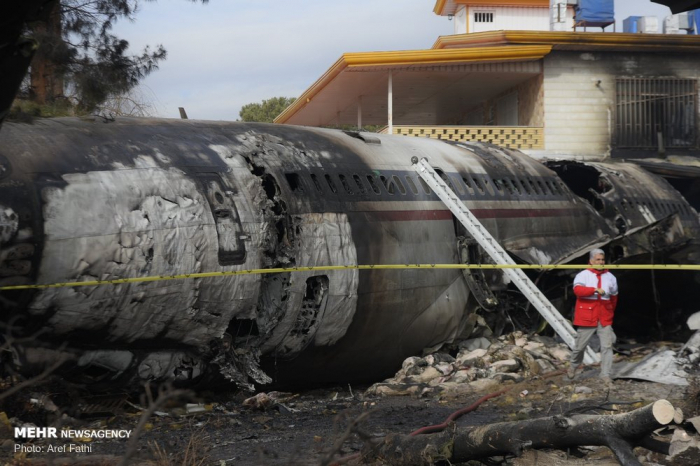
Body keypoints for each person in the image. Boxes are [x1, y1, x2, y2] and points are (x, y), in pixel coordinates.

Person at [567, 249, 618, 383]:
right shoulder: (583, 275)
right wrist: (593, 290)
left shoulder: (611, 277)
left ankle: (605, 374)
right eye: (598, 260)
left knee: (607, 346)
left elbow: (614, 297)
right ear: (591, 261)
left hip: (604, 317)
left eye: (602, 260)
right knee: (580, 346)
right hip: (587, 316)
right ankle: (573, 365)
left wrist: (610, 313)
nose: (601, 262)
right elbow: (578, 291)